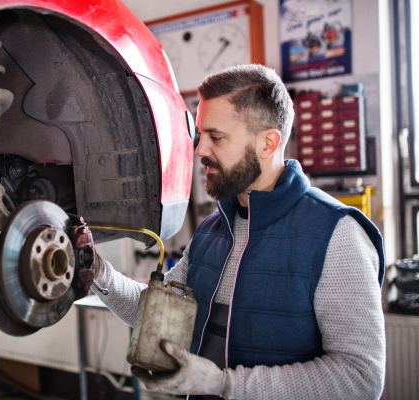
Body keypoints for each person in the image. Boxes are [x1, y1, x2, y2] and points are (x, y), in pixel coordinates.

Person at [86, 64, 386, 400]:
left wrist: (223, 384)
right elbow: (154, 312)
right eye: (200, 136)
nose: (200, 150)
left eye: (216, 137)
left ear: (268, 143)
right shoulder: (212, 232)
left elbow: (361, 379)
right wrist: (98, 273)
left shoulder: (338, 234)